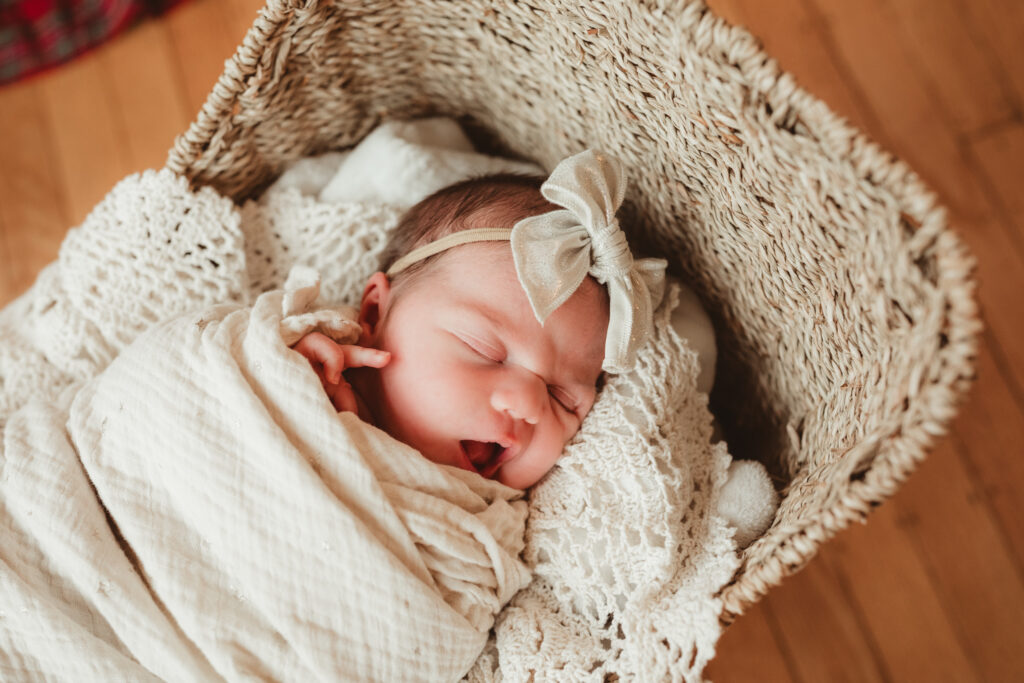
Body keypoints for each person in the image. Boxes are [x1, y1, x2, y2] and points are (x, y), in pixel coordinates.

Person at [290, 149, 666, 489]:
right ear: (374, 312)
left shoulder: (494, 520)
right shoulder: (304, 367)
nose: (528, 406)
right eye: (485, 351)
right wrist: (287, 366)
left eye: (564, 400)